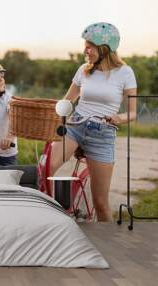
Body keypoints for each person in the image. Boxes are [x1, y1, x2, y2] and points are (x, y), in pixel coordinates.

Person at [49, 22, 137, 221]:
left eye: (90, 45)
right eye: (85, 45)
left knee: (101, 203)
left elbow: (133, 113)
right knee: (45, 169)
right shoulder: (84, 70)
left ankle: (111, 247)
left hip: (102, 133)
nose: (85, 50)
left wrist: (119, 118)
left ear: (104, 48)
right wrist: (53, 112)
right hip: (75, 126)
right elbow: (67, 100)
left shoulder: (125, 72)